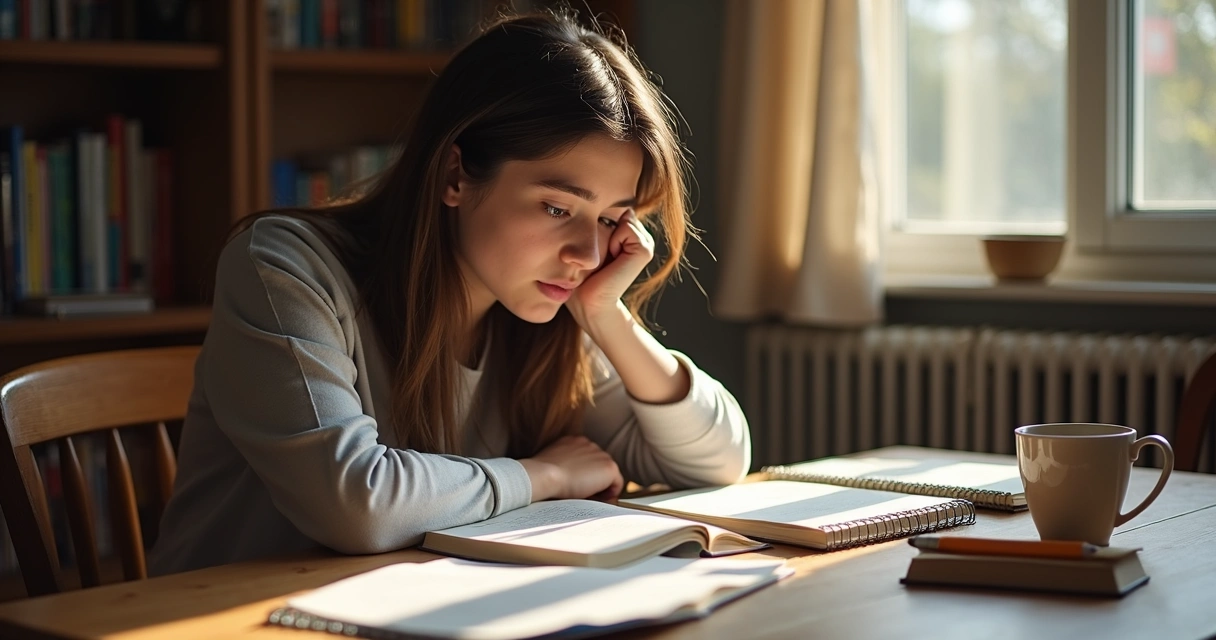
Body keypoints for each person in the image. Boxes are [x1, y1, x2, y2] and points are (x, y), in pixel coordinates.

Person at [148, 8, 750, 576]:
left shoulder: (548, 308)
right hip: (228, 620)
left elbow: (717, 462)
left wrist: (608, 315)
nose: (587, 256)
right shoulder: (285, 267)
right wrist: (543, 476)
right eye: (556, 207)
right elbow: (357, 503)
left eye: (608, 219)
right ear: (455, 175)